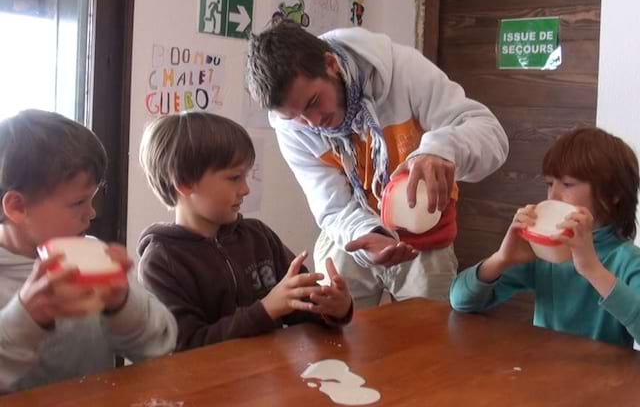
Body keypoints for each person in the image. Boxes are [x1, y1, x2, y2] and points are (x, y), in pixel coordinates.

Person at [246, 21, 508, 308]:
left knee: (428, 344)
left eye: (313, 102)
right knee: (340, 340)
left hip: (427, 239)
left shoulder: (404, 71)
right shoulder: (293, 128)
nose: (313, 123)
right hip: (349, 237)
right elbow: (332, 207)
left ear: (331, 64)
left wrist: (443, 149)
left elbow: (491, 135)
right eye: (295, 116)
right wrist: (369, 235)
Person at [137, 112, 352, 352]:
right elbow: (186, 348)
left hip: (271, 381)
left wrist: (334, 308)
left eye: (246, 176)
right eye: (234, 178)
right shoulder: (160, 263)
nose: (246, 189)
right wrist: (266, 309)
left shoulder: (258, 237)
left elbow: (303, 313)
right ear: (185, 183)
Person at [0, 109, 177, 394]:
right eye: (78, 202)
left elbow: (161, 347)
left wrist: (122, 303)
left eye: (92, 199)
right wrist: (25, 318)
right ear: (17, 207)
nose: (91, 213)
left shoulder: (94, 254)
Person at [450, 127, 640, 347]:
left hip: (606, 380)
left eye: (567, 184)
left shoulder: (628, 260)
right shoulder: (545, 255)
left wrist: (592, 269)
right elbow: (460, 301)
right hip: (542, 375)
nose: (553, 195)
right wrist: (501, 258)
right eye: (550, 184)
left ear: (613, 194)